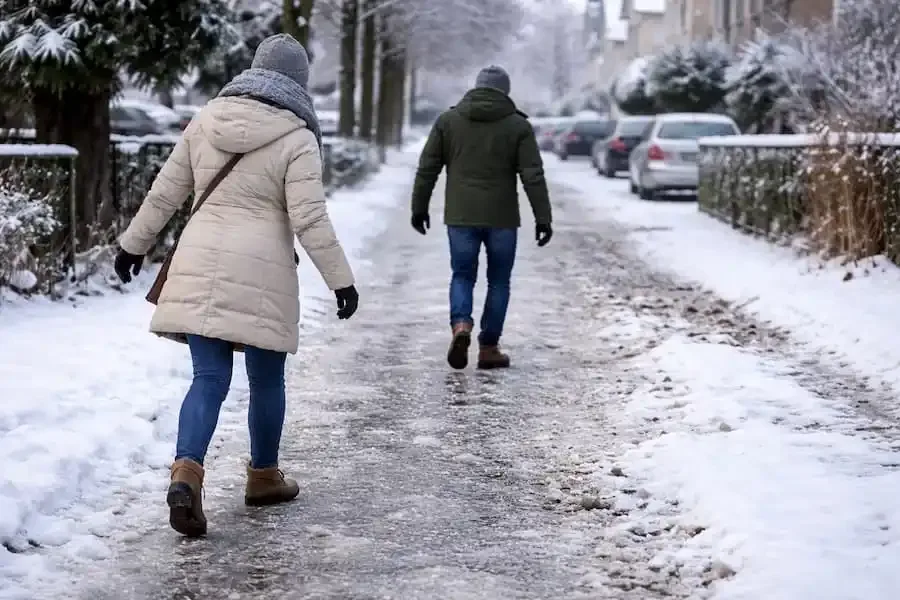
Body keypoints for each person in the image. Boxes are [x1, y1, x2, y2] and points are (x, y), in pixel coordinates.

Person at [113, 34, 359, 537]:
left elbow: (165, 193)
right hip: (264, 270)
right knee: (267, 380)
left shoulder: (206, 121)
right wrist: (342, 281)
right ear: (300, 82)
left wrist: (132, 245)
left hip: (200, 261)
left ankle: (186, 472)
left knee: (208, 378)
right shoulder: (298, 137)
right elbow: (309, 219)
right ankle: (263, 477)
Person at [410, 65, 552, 370]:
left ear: (476, 88)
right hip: (502, 218)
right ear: (506, 91)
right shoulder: (517, 126)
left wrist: (419, 207)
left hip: (461, 217)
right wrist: (543, 217)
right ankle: (489, 348)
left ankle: (461, 325)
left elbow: (427, 168)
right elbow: (533, 175)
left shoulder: (448, 121)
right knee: (498, 281)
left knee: (462, 275)